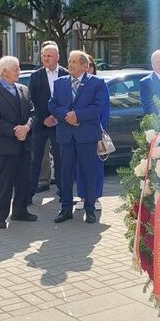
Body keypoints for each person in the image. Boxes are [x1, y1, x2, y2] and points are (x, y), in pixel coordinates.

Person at [49, 51, 107, 224]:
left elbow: (98, 107)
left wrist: (78, 115)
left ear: (85, 66)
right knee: (66, 173)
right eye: (69, 61)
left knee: (88, 173)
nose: (70, 65)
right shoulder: (59, 83)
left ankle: (90, 209)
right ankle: (66, 209)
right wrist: (67, 115)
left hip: (86, 136)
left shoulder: (97, 83)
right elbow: (52, 104)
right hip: (66, 135)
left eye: (74, 62)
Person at [0, 56, 38, 229]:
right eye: (16, 69)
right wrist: (16, 131)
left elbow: (33, 113)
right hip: (6, 146)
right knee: (4, 183)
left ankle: (20, 211)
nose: (19, 72)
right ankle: (0, 216)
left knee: (23, 180)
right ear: (4, 71)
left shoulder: (23, 89)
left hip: (24, 143)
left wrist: (27, 128)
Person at [28, 42, 70, 203]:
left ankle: (62, 192)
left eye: (49, 56)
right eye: (44, 56)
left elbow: (68, 99)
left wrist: (57, 117)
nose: (46, 58)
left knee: (61, 159)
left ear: (57, 57)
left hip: (60, 124)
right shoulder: (36, 76)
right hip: (40, 124)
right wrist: (44, 117)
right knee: (36, 160)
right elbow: (31, 100)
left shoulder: (66, 75)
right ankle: (30, 194)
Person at [77, 54, 109, 211]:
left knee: (95, 166)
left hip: (95, 132)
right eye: (85, 65)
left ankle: (95, 197)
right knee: (80, 166)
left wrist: (99, 129)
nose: (88, 68)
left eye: (90, 65)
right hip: (79, 132)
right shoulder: (76, 85)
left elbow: (104, 110)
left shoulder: (100, 85)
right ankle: (82, 197)